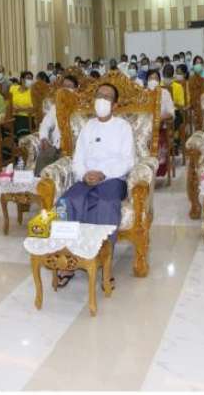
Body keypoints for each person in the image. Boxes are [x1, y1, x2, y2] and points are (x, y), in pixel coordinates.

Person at [57, 83, 134, 287]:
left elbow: (128, 161)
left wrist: (103, 173)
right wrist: (84, 174)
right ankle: (68, 260)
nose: (102, 100)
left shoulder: (123, 127)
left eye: (107, 97)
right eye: (99, 95)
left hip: (113, 179)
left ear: (115, 105)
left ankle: (105, 265)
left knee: (105, 204)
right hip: (86, 179)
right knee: (67, 201)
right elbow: (77, 159)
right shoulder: (88, 126)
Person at [34, 75, 79, 176]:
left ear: (76, 89)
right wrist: (44, 138)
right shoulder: (56, 107)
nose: (66, 90)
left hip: (73, 150)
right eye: (64, 86)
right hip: (56, 147)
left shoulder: (81, 108)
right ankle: (39, 183)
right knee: (42, 157)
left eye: (69, 87)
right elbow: (45, 124)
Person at [148, 69, 175, 177]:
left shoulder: (165, 93)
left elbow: (171, 112)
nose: (153, 80)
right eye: (150, 78)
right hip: (145, 128)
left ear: (159, 81)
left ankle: (158, 170)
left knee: (158, 140)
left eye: (155, 78)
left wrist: (159, 118)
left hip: (160, 127)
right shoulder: (143, 93)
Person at [10, 71, 34, 142]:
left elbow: (33, 108)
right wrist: (12, 106)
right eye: (28, 78)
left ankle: (21, 142)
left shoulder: (32, 92)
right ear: (22, 79)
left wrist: (20, 109)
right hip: (12, 115)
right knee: (8, 123)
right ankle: (15, 143)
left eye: (31, 79)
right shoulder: (13, 88)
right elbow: (8, 100)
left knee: (19, 122)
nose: (30, 80)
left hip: (26, 116)